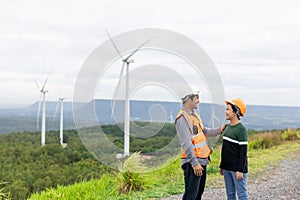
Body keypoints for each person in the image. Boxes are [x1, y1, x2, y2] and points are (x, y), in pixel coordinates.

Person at [175, 91, 226, 200]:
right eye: (196, 98)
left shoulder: (194, 115)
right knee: (191, 195)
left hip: (201, 161)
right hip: (193, 163)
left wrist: (219, 130)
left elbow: (204, 132)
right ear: (189, 99)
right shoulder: (182, 118)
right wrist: (194, 164)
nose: (198, 101)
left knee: (198, 194)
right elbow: (186, 144)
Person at [219, 98, 248, 200]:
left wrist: (240, 170)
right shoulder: (227, 128)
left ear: (235, 112)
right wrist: (222, 166)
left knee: (242, 195)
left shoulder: (241, 129)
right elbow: (225, 150)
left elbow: (243, 152)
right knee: (230, 195)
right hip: (227, 168)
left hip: (237, 170)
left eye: (228, 109)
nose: (225, 112)